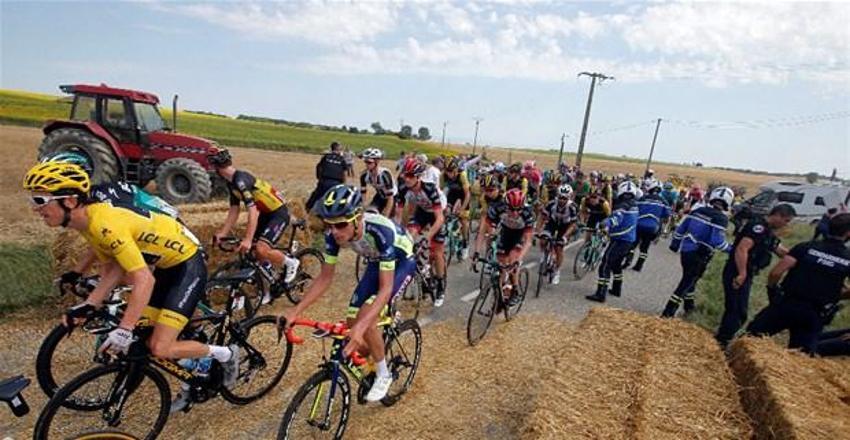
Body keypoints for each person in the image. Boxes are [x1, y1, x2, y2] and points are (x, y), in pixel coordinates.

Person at [22, 162, 240, 405]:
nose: (35, 208)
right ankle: (194, 372)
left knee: (160, 347)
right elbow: (114, 268)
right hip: (167, 266)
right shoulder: (88, 222)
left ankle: (225, 354)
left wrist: (124, 329)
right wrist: (89, 305)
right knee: (145, 335)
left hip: (187, 266)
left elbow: (143, 280)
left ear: (70, 201)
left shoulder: (104, 224)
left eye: (40, 200)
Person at [282, 184, 416, 401]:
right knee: (353, 324)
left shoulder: (380, 232)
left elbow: (385, 289)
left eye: (341, 224)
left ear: (358, 218)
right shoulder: (333, 235)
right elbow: (325, 278)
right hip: (375, 261)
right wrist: (296, 310)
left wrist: (363, 326)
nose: (334, 231)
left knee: (367, 319)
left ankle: (384, 374)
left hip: (401, 262)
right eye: (329, 225)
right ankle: (374, 353)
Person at [42, 151, 182, 286]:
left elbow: (115, 243)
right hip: (152, 230)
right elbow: (98, 243)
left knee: (130, 279)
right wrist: (76, 272)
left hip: (169, 235)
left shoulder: (102, 198)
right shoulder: (88, 199)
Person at [745, 213, 850, 354]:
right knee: (800, 354)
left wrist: (772, 290)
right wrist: (836, 296)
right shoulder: (848, 258)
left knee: (750, 338)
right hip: (814, 313)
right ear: (848, 233)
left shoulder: (805, 247)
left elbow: (776, 272)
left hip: (787, 303)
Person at [209, 148, 300, 303]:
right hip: (266, 214)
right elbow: (234, 210)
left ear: (216, 168)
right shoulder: (231, 183)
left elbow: (253, 211)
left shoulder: (240, 180)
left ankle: (291, 262)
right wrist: (223, 233)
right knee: (254, 254)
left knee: (261, 249)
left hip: (277, 213)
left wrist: (248, 239)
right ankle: (268, 289)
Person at [715, 204, 795, 347]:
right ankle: (721, 343)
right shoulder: (758, 228)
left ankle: (722, 340)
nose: (786, 224)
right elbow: (742, 249)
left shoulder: (768, 232)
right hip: (737, 271)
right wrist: (742, 273)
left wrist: (800, 257)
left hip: (747, 273)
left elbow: (779, 249)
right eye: (786, 220)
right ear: (778, 215)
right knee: (737, 311)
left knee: (738, 310)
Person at [661, 186, 735, 318]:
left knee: (691, 280)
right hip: (700, 255)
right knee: (686, 282)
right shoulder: (721, 219)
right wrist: (732, 250)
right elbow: (717, 242)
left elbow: (681, 229)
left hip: (686, 251)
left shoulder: (697, 211)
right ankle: (668, 312)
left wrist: (675, 244)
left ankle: (689, 307)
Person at [474, 188, 535, 306]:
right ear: (506, 205)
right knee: (501, 263)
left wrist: (518, 260)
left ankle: (515, 290)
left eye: (518, 209)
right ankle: (502, 291)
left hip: (520, 234)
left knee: (512, 259)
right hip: (506, 232)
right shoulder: (497, 208)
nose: (515, 213)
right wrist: (477, 252)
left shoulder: (527, 214)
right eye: (511, 209)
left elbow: (528, 241)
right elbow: (482, 232)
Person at [399, 158, 448, 306]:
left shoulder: (429, 188)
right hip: (422, 211)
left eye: (410, 176)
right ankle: (418, 270)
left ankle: (440, 285)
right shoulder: (404, 188)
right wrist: (401, 231)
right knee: (409, 238)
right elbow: (407, 211)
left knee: (437, 251)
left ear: (418, 177)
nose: (406, 179)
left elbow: (439, 218)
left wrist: (428, 236)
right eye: (405, 175)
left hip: (437, 213)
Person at [586, 181, 639, 302]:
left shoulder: (622, 206)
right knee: (616, 265)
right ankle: (616, 289)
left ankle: (601, 293)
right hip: (629, 240)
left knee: (605, 264)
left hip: (620, 240)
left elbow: (616, 219)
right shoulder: (634, 205)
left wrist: (605, 223)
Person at [535, 184, 578, 285]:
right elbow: (542, 217)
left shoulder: (572, 207)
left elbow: (573, 225)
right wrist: (538, 230)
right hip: (553, 223)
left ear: (569, 198)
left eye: (564, 198)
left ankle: (557, 271)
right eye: (560, 197)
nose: (562, 200)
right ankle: (544, 255)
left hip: (565, 227)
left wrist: (565, 237)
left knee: (559, 248)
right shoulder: (551, 204)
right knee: (543, 239)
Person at [630, 178, 671, 272]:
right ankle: (639, 266)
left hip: (639, 225)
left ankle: (628, 260)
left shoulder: (643, 198)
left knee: (633, 244)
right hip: (652, 227)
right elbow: (666, 215)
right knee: (645, 247)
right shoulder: (663, 201)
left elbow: (634, 209)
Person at [442, 157, 472, 260]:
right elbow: (440, 192)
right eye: (447, 171)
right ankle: (448, 233)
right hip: (452, 195)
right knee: (446, 214)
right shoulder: (443, 175)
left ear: (456, 170)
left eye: (451, 171)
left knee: (463, 220)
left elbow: (467, 194)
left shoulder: (462, 175)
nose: (449, 174)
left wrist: (462, 209)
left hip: (463, 196)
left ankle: (465, 244)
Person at [306, 141, 347, 212]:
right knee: (335, 199)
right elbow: (344, 173)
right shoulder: (342, 159)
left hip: (324, 181)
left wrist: (319, 178)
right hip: (336, 183)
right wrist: (343, 184)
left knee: (315, 196)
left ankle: (307, 209)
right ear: (338, 149)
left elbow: (319, 167)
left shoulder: (326, 157)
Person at [358, 148, 397, 217]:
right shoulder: (364, 175)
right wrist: (362, 208)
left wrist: (386, 216)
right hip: (380, 196)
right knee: (370, 214)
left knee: (389, 218)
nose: (366, 164)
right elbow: (363, 193)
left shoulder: (384, 174)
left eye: (369, 162)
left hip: (392, 197)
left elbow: (390, 198)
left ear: (377, 162)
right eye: (365, 162)